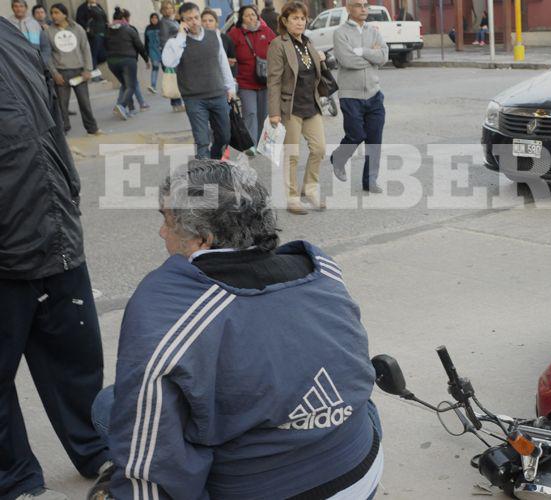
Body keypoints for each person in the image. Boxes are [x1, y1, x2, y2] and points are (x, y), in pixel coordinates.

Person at [87, 159, 383, 500]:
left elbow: (152, 460)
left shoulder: (166, 306)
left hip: (271, 487)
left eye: (166, 220)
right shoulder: (322, 269)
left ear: (203, 238)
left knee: (109, 405)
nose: (161, 232)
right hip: (361, 469)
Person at [0, 17, 108, 500]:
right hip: (6, 248)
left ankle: (95, 451)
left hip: (55, 229)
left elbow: (48, 121)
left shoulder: (8, 33)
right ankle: (15, 477)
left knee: (76, 358)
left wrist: (69, 190)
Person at [267, 1, 327, 214]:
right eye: (295, 18)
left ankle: (310, 188)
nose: (300, 22)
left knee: (319, 149)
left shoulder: (308, 43)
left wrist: (321, 59)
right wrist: (274, 112)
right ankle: (292, 197)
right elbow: (273, 80)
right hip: (289, 107)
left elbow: (314, 73)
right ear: (285, 21)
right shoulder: (278, 44)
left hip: (311, 104)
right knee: (292, 154)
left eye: (302, 18)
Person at [162, 2, 236, 159]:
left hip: (218, 95)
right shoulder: (175, 42)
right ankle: (204, 177)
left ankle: (213, 163)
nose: (194, 21)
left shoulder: (214, 35)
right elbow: (169, 62)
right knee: (202, 141)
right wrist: (181, 35)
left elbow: (223, 62)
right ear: (181, 21)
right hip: (194, 99)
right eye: (189, 19)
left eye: (196, 17)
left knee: (224, 137)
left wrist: (230, 86)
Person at [331, 0, 388, 193]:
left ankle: (370, 181)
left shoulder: (374, 31)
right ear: (348, 8)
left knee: (374, 139)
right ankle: (338, 158)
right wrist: (373, 58)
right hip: (350, 95)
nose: (363, 9)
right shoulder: (340, 33)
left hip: (374, 94)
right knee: (356, 134)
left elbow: (384, 56)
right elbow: (347, 60)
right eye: (358, 5)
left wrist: (363, 51)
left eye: (366, 5)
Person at [47, 3, 101, 135]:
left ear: (64, 14)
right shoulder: (48, 32)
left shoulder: (77, 29)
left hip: (79, 72)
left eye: (56, 12)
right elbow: (47, 55)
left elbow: (85, 49)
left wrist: (87, 69)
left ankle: (92, 128)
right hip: (61, 73)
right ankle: (63, 130)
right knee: (62, 106)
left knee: (85, 103)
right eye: (52, 13)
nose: (53, 16)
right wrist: (54, 73)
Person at [230, 4, 276, 141]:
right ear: (241, 18)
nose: (250, 18)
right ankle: (251, 144)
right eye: (247, 15)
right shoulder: (235, 33)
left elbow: (277, 49)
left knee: (264, 114)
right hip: (245, 82)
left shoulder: (266, 31)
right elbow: (226, 51)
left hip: (265, 80)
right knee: (250, 113)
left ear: (257, 16)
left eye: (253, 15)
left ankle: (262, 141)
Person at [105, 6, 149, 120]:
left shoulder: (108, 30)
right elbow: (139, 46)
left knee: (126, 84)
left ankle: (131, 109)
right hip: (127, 60)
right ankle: (121, 106)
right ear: (125, 18)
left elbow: (103, 45)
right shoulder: (129, 29)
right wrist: (146, 59)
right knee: (131, 85)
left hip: (112, 62)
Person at [158, 0, 184, 111]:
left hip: (177, 51)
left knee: (175, 78)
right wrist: (168, 56)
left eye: (170, 8)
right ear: (162, 10)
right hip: (171, 54)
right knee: (174, 78)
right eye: (166, 8)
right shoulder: (164, 22)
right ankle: (176, 104)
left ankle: (177, 104)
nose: (168, 10)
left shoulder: (171, 20)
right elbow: (164, 40)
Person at [9, 0, 52, 67]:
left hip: (36, 63)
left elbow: (45, 46)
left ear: (26, 8)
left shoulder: (35, 24)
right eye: (16, 6)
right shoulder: (7, 24)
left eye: (21, 6)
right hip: (16, 64)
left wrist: (43, 61)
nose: (19, 9)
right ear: (12, 8)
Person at [201, 8, 237, 78]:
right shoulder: (197, 40)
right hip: (204, 78)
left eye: (210, 21)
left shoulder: (225, 39)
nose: (207, 23)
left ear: (216, 23)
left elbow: (233, 61)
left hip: (223, 78)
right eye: (204, 21)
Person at [75, 0, 108, 70]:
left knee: (103, 55)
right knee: (93, 55)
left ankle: (96, 72)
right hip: (93, 36)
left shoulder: (98, 6)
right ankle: (95, 75)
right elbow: (80, 21)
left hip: (103, 34)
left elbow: (104, 18)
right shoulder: (82, 8)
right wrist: (88, 30)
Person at [145, 12, 162, 93]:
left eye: (155, 18)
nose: (154, 19)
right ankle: (153, 86)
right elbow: (146, 41)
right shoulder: (148, 28)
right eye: (152, 18)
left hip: (162, 50)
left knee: (166, 69)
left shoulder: (161, 27)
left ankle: (169, 84)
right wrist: (146, 54)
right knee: (155, 67)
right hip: (152, 50)